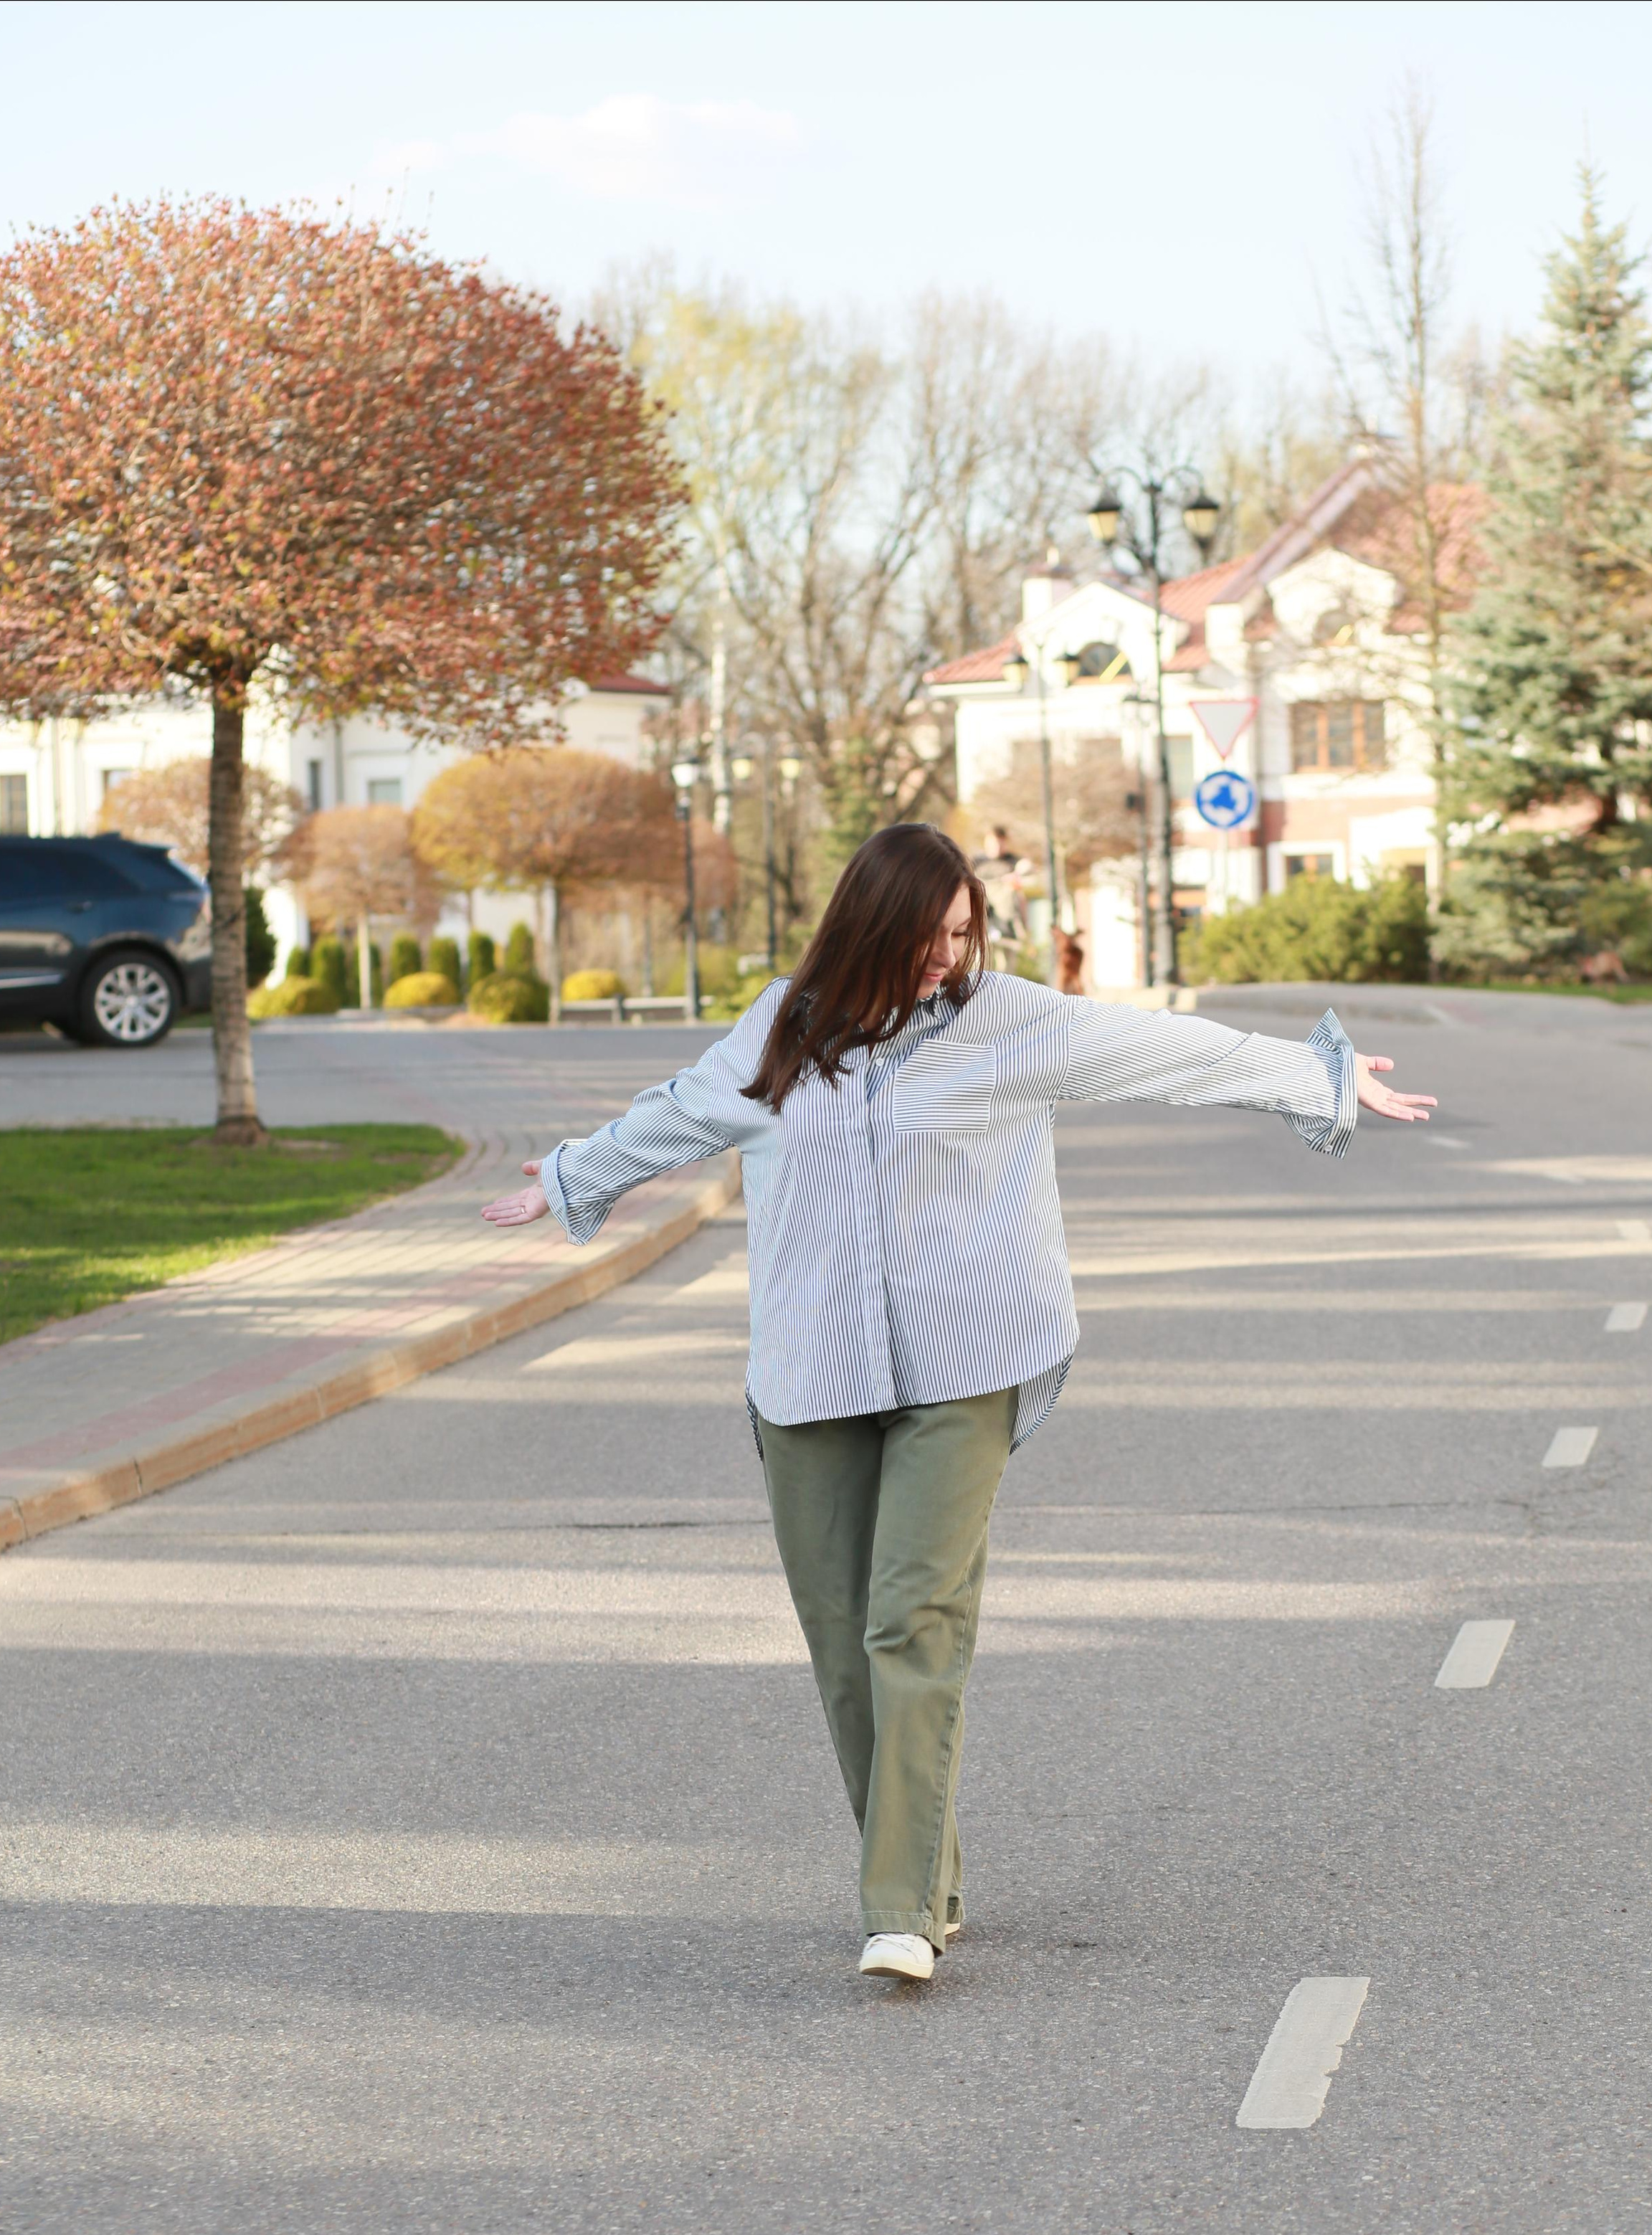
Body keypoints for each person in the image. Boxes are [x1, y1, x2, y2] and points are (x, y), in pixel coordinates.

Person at [483, 824, 1435, 1986]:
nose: (949, 954)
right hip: (810, 1373)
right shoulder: (784, 1029)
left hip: (964, 1362)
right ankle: (927, 1871)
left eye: (962, 931)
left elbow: (1166, 1050)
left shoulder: (1012, 1024)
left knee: (911, 1622)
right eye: (927, 936)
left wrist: (1318, 1075)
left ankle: (897, 1911)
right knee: (843, 1645)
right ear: (869, 930)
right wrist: (574, 1175)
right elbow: (680, 1112)